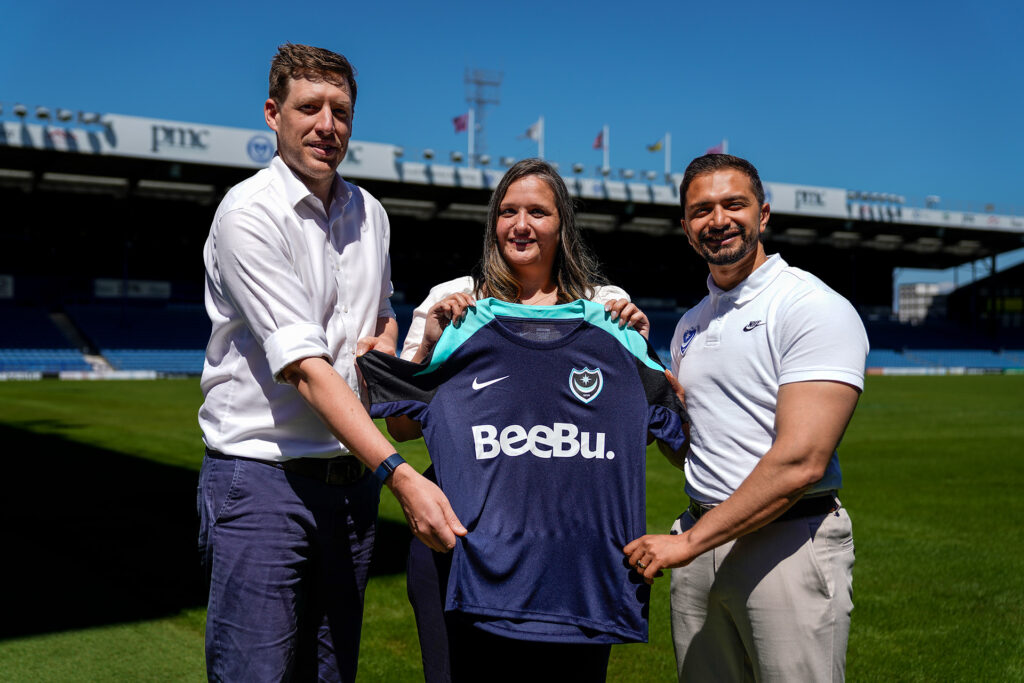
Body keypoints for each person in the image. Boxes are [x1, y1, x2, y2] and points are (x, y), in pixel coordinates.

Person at [196, 43, 464, 682]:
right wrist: (402, 475)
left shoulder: (369, 212)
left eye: (340, 111)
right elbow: (307, 370)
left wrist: (392, 343)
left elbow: (379, 319)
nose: (327, 125)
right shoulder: (248, 215)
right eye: (308, 107)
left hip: (350, 489)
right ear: (273, 114)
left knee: (332, 673)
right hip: (264, 482)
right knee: (254, 675)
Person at [388, 158, 663, 682]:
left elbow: (630, 434)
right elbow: (402, 427)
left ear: (562, 224)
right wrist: (430, 345)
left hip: (573, 560)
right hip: (460, 541)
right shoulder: (453, 301)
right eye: (508, 211)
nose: (521, 224)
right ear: (494, 222)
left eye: (538, 212)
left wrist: (638, 353)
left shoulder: (606, 307)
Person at [624, 153, 869, 681]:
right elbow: (690, 450)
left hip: (786, 542)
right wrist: (644, 383)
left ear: (764, 215)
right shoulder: (690, 323)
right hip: (699, 538)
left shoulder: (809, 305)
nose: (718, 220)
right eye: (701, 210)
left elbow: (802, 459)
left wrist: (687, 543)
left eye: (734, 204)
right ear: (686, 227)